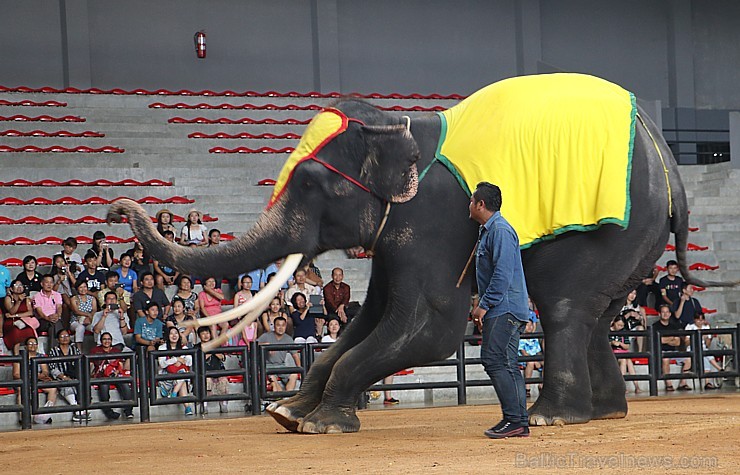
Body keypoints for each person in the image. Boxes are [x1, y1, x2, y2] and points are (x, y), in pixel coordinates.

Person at [469, 182, 530, 439]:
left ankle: (514, 419)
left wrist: (483, 305)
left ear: (481, 205)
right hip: (507, 307)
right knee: (507, 363)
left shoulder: (500, 231)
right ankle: (517, 421)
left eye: (472, 201)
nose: (469, 205)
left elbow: (502, 275)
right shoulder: (492, 231)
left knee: (494, 360)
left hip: (503, 308)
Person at [89, 332, 134, 419]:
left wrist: (116, 372)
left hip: (115, 374)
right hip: (101, 376)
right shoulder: (95, 350)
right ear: (101, 341)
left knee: (126, 387)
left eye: (109, 339)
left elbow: (120, 364)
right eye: (104, 339)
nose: (107, 341)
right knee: (104, 388)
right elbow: (90, 365)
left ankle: (128, 411)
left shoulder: (115, 351)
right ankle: (109, 413)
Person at [48, 329, 90, 422]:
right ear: (58, 339)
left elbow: (80, 364)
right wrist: (63, 376)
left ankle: (82, 410)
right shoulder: (54, 351)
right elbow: (52, 368)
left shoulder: (74, 349)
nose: (65, 338)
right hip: (61, 377)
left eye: (66, 336)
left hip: (75, 376)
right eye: (62, 337)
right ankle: (78, 411)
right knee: (67, 386)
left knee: (82, 384)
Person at [13, 336, 55, 424]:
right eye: (30, 344)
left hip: (38, 381)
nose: (33, 346)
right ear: (25, 346)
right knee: (22, 390)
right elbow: (16, 374)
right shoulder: (19, 357)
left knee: (53, 389)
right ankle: (23, 417)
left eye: (35, 343)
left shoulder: (40, 356)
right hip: (24, 381)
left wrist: (38, 376)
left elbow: (45, 372)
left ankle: (44, 415)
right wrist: (37, 376)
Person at [651, 304, 691, 391]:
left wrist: (665, 339)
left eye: (667, 312)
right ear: (659, 314)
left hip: (673, 352)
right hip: (661, 352)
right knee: (665, 359)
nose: (665, 314)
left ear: (670, 314)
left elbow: (677, 342)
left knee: (688, 359)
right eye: (663, 312)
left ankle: (683, 383)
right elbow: (658, 341)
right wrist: (671, 338)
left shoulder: (673, 326)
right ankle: (668, 384)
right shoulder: (655, 326)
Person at [257, 316, 301, 392]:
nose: (281, 328)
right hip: (267, 366)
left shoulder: (288, 339)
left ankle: (287, 396)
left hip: (281, 365)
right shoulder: (266, 336)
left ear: (286, 326)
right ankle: (279, 395)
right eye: (278, 325)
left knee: (294, 375)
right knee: (273, 379)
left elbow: (295, 355)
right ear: (274, 326)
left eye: (283, 325)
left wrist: (299, 369)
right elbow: (254, 345)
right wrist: (265, 346)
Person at [157, 326, 195, 415]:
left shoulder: (184, 348)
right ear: (167, 335)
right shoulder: (162, 348)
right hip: (167, 375)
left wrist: (181, 360)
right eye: (171, 333)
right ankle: (187, 407)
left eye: (176, 333)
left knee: (182, 373)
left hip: (180, 375)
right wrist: (176, 359)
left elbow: (189, 362)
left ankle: (174, 394)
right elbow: (162, 364)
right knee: (183, 377)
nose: (174, 335)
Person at [684, 314, 723, 389]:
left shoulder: (706, 327)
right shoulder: (690, 326)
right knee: (706, 355)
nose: (700, 322)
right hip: (692, 348)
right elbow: (686, 343)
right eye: (698, 320)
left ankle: (707, 382)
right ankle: (719, 369)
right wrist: (695, 337)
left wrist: (707, 338)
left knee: (706, 356)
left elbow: (707, 345)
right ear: (695, 320)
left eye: (701, 320)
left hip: (703, 348)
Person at [196, 326, 229, 413]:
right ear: (199, 336)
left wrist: (213, 351)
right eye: (203, 333)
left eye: (207, 333)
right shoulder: (197, 347)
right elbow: (198, 360)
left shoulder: (216, 344)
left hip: (218, 371)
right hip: (204, 373)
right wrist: (210, 352)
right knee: (207, 380)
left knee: (223, 380)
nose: (206, 335)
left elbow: (223, 357)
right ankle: (204, 405)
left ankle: (223, 404)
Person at [2, 279, 38, 354]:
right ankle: (16, 355)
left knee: (29, 330)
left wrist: (15, 315)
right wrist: (18, 301)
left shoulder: (27, 299)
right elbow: (11, 311)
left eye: (21, 285)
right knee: (16, 331)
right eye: (16, 285)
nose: (19, 287)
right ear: (11, 289)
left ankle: (31, 354)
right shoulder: (8, 298)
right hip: (11, 323)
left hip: (24, 322)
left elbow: (30, 312)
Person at [609, 316, 641, 393]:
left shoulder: (624, 331)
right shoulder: (608, 331)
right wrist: (612, 343)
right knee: (623, 360)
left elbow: (627, 346)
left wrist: (620, 343)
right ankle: (622, 386)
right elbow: (604, 344)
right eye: (618, 325)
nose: (620, 327)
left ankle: (636, 386)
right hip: (612, 354)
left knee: (628, 362)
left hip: (623, 353)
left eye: (622, 325)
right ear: (614, 323)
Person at [69, 280, 98, 351]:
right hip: (76, 321)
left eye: (85, 287)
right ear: (77, 289)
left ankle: (98, 347)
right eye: (80, 287)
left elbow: (94, 310)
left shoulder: (92, 298)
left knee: (96, 328)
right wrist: (88, 315)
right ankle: (79, 350)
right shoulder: (74, 298)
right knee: (80, 327)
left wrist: (89, 318)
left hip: (89, 320)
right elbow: (76, 311)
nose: (83, 289)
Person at [518, 320, 544, 398]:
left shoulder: (534, 338)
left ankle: (542, 384)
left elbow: (538, 352)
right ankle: (527, 388)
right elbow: (524, 353)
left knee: (546, 363)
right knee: (531, 362)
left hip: (534, 358)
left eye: (531, 325)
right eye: (527, 325)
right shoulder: (521, 338)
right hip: (524, 359)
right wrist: (535, 360)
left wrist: (539, 359)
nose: (529, 327)